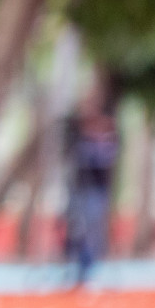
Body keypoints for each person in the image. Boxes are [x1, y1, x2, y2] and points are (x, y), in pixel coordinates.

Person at [64, 100, 119, 286]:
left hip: (96, 192)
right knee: (78, 229)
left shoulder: (106, 145)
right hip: (80, 190)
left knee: (92, 230)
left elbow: (106, 166)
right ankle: (79, 266)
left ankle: (88, 266)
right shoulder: (78, 143)